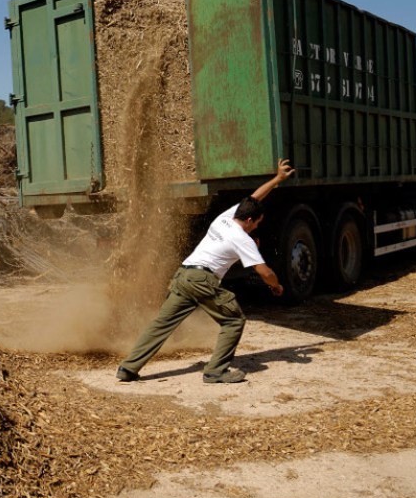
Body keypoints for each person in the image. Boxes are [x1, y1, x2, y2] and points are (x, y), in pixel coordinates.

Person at [116, 159, 296, 384]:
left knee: (161, 325)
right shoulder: (243, 239)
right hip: (202, 280)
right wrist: (276, 285)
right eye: (256, 223)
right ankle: (215, 371)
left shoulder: (227, 217)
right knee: (233, 321)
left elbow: (254, 198)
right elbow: (265, 272)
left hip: (184, 274)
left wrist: (278, 179)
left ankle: (128, 368)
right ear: (249, 220)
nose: (256, 227)